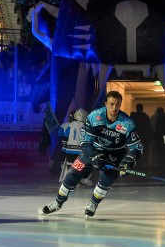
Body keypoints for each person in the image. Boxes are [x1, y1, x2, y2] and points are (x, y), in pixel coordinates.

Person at [40, 91, 144, 219]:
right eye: (111, 104)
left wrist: (129, 161)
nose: (114, 108)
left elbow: (137, 147)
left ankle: (93, 204)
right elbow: (85, 142)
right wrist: (94, 156)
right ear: (106, 104)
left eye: (117, 105)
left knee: (106, 181)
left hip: (115, 154)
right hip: (92, 150)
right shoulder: (94, 117)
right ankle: (58, 202)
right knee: (72, 173)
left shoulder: (127, 123)